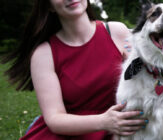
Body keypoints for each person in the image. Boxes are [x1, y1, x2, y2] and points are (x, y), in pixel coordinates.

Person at [1, 0, 149, 139]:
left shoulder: (117, 32)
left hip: (123, 130)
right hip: (69, 133)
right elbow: (54, 118)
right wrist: (104, 121)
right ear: (49, 6)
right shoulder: (43, 53)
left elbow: (148, 76)